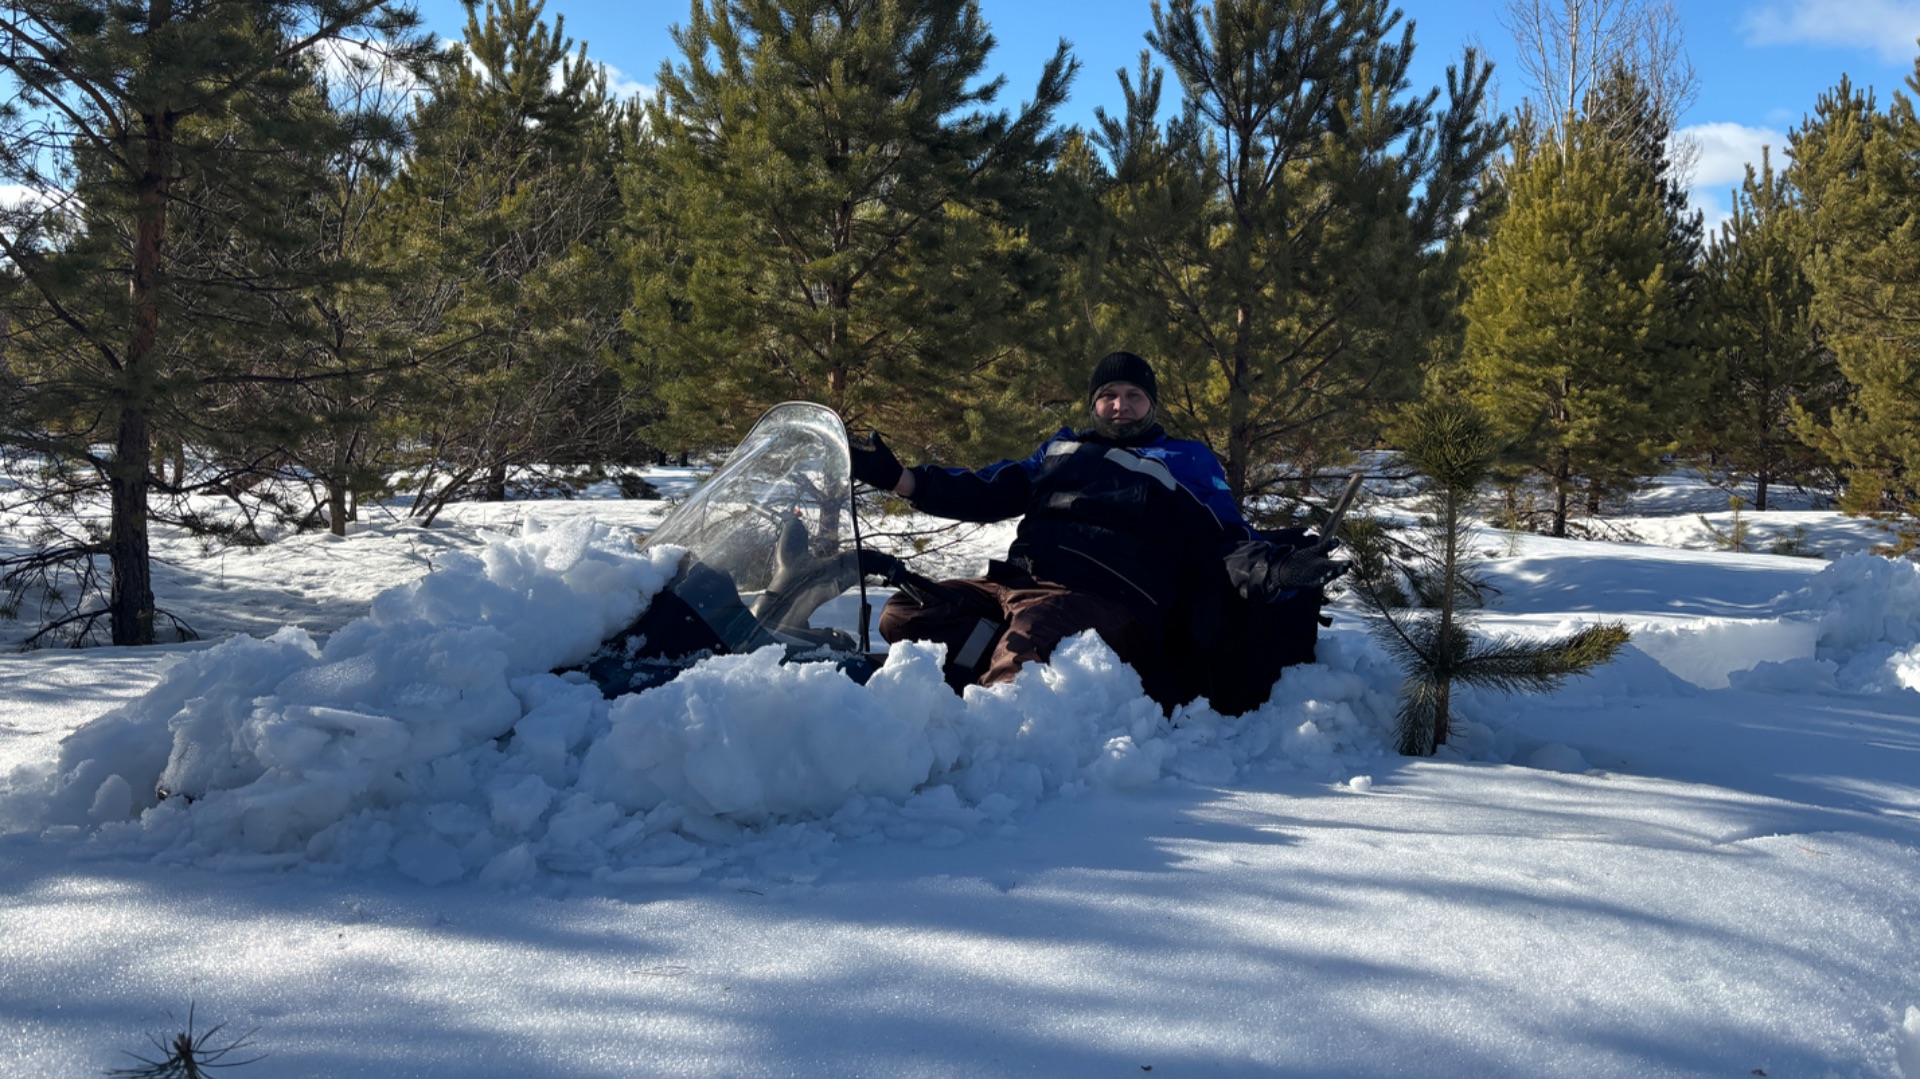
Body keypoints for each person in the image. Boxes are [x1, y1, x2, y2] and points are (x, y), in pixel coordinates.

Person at [849, 350, 1343, 701]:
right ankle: (964, 676)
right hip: (1016, 581)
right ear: (1093, 403)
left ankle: (992, 733)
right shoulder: (1062, 450)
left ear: (1152, 403)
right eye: (1109, 395)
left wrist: (1277, 572)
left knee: (1037, 630)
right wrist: (901, 479)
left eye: (1133, 395)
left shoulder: (1184, 460)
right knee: (905, 614)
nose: (1120, 406)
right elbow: (990, 488)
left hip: (1108, 599)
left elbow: (1227, 541)